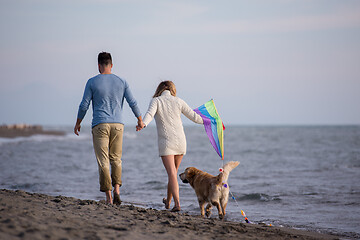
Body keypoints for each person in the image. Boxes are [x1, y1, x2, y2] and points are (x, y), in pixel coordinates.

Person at [74, 52, 144, 204]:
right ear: (111, 65)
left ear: (99, 66)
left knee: (103, 161)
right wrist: (140, 120)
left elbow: (84, 105)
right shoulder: (122, 81)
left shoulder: (92, 82)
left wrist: (78, 122)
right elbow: (133, 102)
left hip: (100, 124)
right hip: (118, 125)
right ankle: (117, 189)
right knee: (116, 159)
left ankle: (109, 197)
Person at [137, 81, 203, 212]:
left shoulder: (156, 101)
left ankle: (177, 204)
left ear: (159, 90)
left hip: (167, 143)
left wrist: (143, 124)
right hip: (181, 141)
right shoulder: (179, 101)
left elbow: (149, 114)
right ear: (172, 90)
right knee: (172, 174)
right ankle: (168, 202)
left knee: (172, 173)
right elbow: (195, 117)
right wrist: (211, 121)